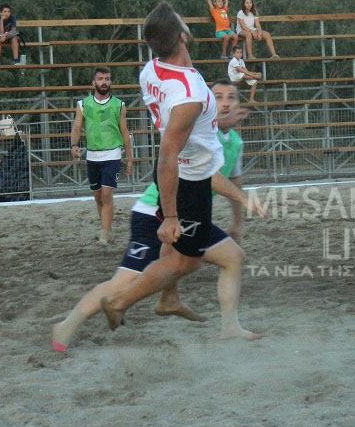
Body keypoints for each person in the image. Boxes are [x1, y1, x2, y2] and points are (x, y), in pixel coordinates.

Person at [52, 79, 260, 352]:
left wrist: (236, 222)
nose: (225, 102)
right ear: (206, 105)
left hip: (191, 214)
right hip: (155, 212)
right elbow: (211, 178)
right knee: (124, 282)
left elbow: (235, 177)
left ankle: (228, 325)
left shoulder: (233, 141)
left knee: (232, 257)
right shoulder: (196, 133)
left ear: (239, 106)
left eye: (231, 97)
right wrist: (244, 200)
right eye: (218, 97)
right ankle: (66, 325)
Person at [99, 2, 247, 335]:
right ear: (182, 36)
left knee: (193, 254)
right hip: (187, 179)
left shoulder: (152, 68)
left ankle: (168, 298)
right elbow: (168, 154)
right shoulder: (189, 93)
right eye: (182, 21)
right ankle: (119, 302)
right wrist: (169, 216)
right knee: (185, 260)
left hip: (188, 173)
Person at [70, 67, 134, 243]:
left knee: (106, 193)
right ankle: (107, 227)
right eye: (100, 79)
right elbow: (76, 127)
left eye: (107, 78)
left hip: (112, 155)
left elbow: (124, 131)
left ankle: (104, 234)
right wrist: (74, 145)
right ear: (93, 83)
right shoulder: (83, 105)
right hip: (92, 156)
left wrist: (129, 158)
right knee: (98, 196)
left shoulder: (118, 104)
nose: (104, 82)